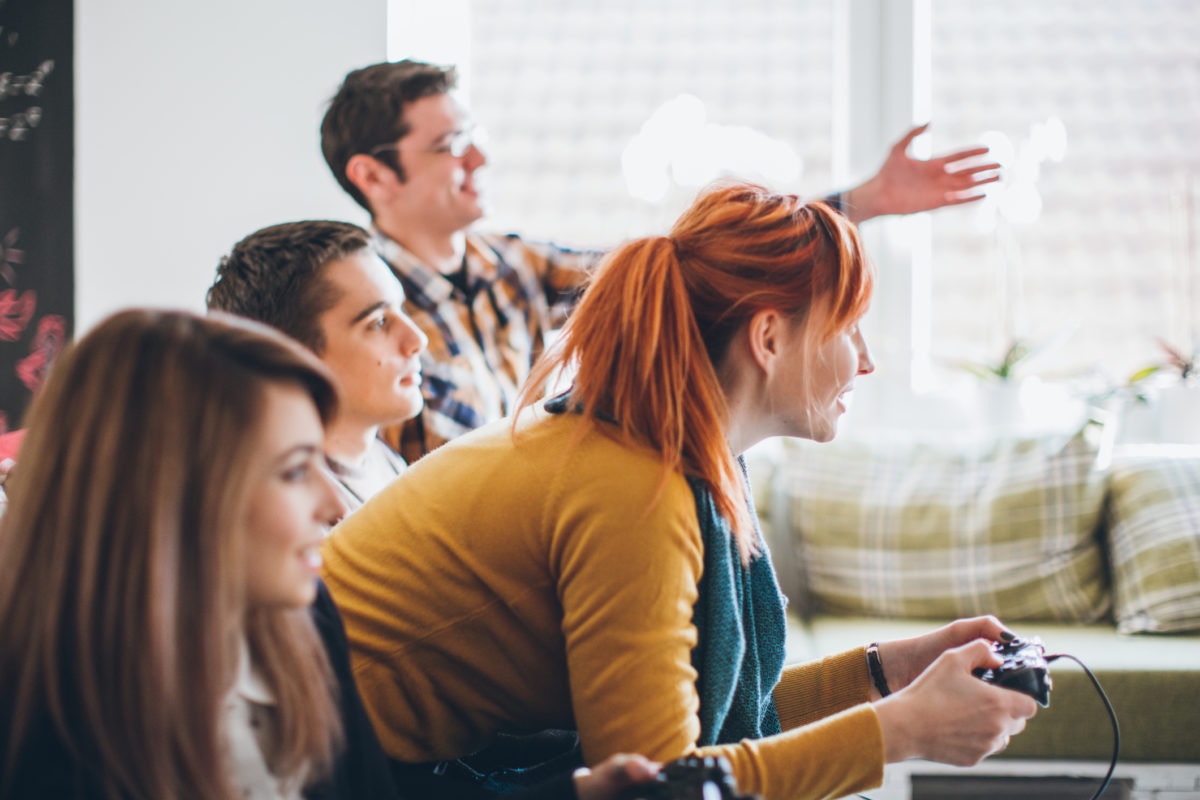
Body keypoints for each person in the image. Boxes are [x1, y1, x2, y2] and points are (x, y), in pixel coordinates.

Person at [320, 183, 1038, 800]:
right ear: (768, 338)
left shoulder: (651, 449)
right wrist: (903, 730)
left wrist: (884, 675)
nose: (869, 360)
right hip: (332, 771)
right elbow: (664, 785)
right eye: (850, 327)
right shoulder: (636, 489)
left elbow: (705, 727)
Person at [0, 309, 657, 800]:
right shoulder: (41, 711)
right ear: (171, 493)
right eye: (292, 471)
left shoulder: (305, 618)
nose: (335, 504)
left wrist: (577, 793)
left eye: (322, 463)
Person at [320, 59, 1001, 462]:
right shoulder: (355, 306)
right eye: (449, 146)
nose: (480, 159)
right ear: (373, 177)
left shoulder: (512, 265)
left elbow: (683, 265)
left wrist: (861, 202)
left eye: (476, 137)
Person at [207, 220, 424, 512]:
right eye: (378, 323)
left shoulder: (382, 460)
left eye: (402, 309)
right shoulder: (286, 512)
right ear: (294, 357)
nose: (417, 339)